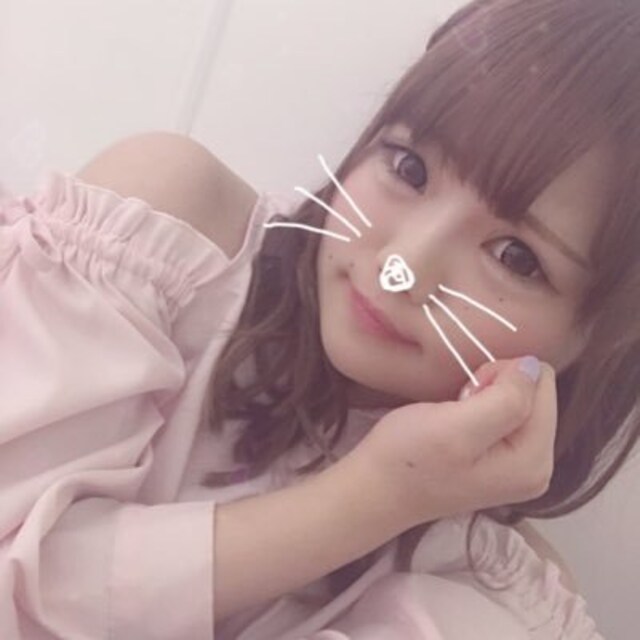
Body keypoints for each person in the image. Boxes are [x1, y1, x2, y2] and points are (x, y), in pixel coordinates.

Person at [1, 0, 638, 637]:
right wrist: (367, 499)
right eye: (409, 167)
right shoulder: (162, 234)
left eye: (514, 257)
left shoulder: (492, 599)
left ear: (600, 342)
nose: (402, 265)